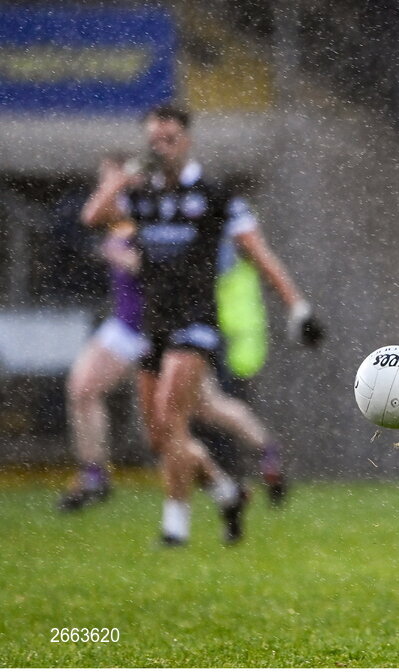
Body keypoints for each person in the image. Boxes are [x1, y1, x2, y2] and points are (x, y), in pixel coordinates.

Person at [80, 104, 323, 545]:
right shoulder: (142, 195)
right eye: (154, 139)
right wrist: (119, 178)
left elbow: (260, 254)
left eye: (169, 138)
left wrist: (298, 308)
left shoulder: (214, 196)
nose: (162, 147)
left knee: (173, 416)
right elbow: (93, 217)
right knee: (159, 435)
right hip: (152, 326)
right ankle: (227, 493)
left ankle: (176, 525)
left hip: (196, 324)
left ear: (187, 140)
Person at [58, 160, 291, 512]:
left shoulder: (153, 212)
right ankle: (95, 473)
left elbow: (167, 269)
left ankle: (260, 454)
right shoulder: (119, 218)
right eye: (103, 178)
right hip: (125, 326)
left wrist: (128, 259)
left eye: (112, 178)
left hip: (164, 329)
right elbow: (91, 218)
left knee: (199, 412)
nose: (106, 186)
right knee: (83, 389)